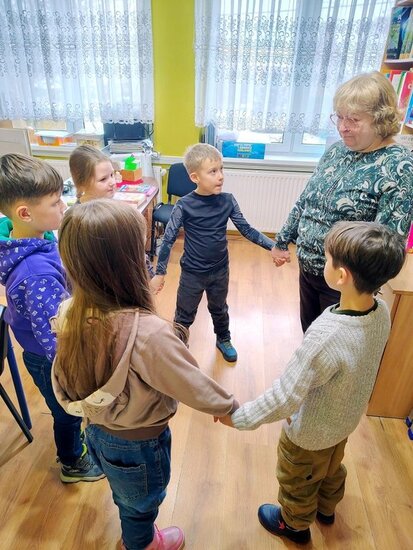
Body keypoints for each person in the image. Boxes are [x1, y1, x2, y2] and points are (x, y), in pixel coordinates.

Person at [51, 199, 239, 550]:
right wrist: (227, 406)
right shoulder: (149, 333)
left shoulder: (69, 312)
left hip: (97, 430)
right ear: (127, 264)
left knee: (126, 494)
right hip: (139, 443)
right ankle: (141, 544)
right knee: (140, 506)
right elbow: (190, 382)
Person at [217, 220, 406, 544]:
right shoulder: (382, 311)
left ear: (341, 276)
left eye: (327, 258)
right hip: (344, 421)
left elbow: (284, 397)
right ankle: (327, 509)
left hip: (309, 434)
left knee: (297, 480)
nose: (323, 261)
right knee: (332, 468)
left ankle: (294, 524)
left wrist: (239, 417)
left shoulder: (325, 336)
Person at [271, 71, 413, 333]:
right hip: (310, 268)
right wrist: (282, 241)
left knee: (335, 345)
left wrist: (354, 285)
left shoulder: (399, 166)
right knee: (311, 335)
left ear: (381, 120)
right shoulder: (337, 150)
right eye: (339, 117)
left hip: (346, 284)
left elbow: (387, 244)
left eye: (354, 120)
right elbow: (307, 199)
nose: (342, 127)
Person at [0, 153, 104, 483]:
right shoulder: (36, 275)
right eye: (56, 202)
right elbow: (55, 337)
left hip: (43, 349)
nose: (64, 206)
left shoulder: (34, 237)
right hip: (51, 359)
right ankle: (72, 462)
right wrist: (74, 371)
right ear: (25, 213)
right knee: (67, 411)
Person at [150, 143, 275, 362]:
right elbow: (168, 239)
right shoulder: (184, 205)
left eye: (221, 169)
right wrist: (160, 273)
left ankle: (223, 339)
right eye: (213, 171)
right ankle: (178, 346)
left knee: (219, 308)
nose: (221, 176)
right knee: (184, 314)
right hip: (192, 273)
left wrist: (273, 246)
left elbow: (246, 229)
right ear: (195, 177)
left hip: (220, 270)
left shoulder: (228, 200)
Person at [69, 144, 155, 278]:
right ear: (82, 184)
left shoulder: (110, 204)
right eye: (103, 179)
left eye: (112, 175)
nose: (112, 182)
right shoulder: (80, 219)